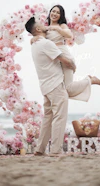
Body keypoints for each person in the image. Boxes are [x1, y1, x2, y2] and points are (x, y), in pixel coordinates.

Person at [31, 5, 100, 102]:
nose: (54, 14)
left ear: (61, 16)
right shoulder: (45, 29)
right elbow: (39, 37)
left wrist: (56, 29)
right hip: (54, 59)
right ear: (50, 12)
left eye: (58, 13)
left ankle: (90, 80)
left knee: (68, 88)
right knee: (58, 88)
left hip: (63, 55)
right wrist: (33, 39)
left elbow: (69, 35)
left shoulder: (62, 26)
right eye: (53, 11)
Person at [25, 16, 75, 156]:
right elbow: (64, 60)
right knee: (59, 117)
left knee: (48, 118)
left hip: (46, 86)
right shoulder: (46, 43)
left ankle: (40, 149)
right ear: (38, 29)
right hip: (55, 85)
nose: (45, 24)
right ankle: (56, 150)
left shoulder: (35, 44)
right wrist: (73, 65)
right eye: (41, 23)